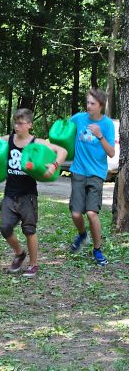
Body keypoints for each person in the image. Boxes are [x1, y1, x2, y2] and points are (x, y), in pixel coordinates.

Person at [0, 108, 67, 278]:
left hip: (28, 195)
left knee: (29, 230)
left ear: (30, 125)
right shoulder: (7, 140)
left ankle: (33, 265)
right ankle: (19, 253)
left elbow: (62, 151)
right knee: (5, 227)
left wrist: (54, 166)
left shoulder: (36, 142)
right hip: (9, 193)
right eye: (15, 123)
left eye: (20, 123)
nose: (17, 126)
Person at [68, 88, 115, 266]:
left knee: (91, 213)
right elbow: (63, 131)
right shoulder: (79, 118)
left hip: (96, 173)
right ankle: (82, 235)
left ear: (101, 106)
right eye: (87, 102)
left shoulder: (107, 124)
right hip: (78, 171)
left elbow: (111, 153)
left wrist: (99, 135)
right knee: (76, 213)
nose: (88, 106)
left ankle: (97, 250)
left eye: (92, 104)